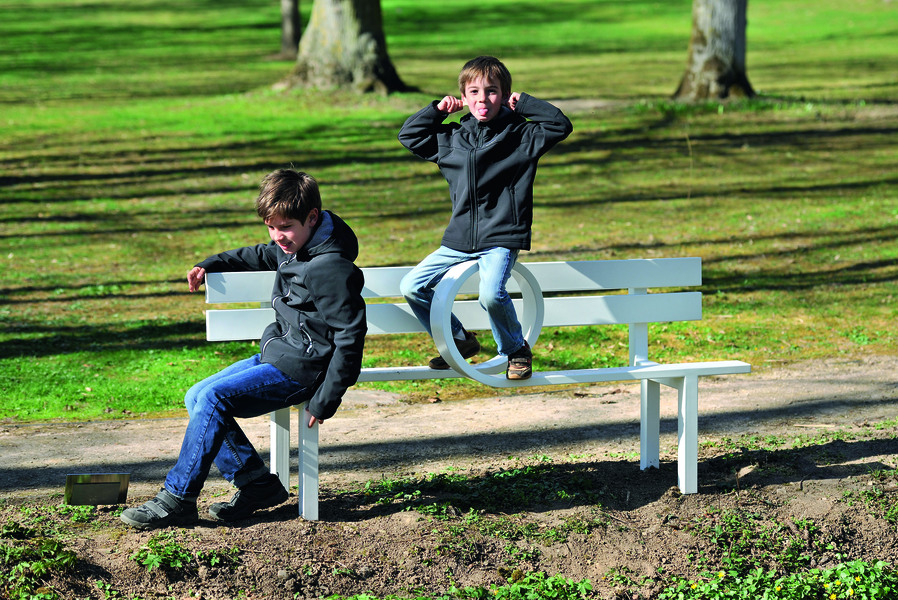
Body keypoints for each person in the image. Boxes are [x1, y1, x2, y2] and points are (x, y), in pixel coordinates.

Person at [120, 169, 367, 529]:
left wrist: (326, 400)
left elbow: (351, 335)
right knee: (197, 395)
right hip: (282, 353)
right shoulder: (298, 246)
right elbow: (262, 254)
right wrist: (211, 264)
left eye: (285, 227)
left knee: (214, 398)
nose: (278, 236)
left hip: (305, 369)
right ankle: (257, 484)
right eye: (271, 226)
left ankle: (177, 497)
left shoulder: (328, 266)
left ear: (312, 218)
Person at [397, 55, 572, 380]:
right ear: (463, 98)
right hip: (459, 239)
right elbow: (409, 136)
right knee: (412, 286)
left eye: (492, 91)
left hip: (502, 236)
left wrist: (527, 105)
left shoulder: (521, 137)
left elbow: (560, 126)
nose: (483, 99)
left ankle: (516, 350)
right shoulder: (450, 140)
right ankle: (461, 341)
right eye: (474, 92)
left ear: (505, 95)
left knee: (491, 293)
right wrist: (436, 112)